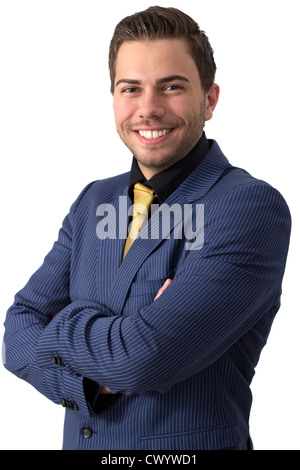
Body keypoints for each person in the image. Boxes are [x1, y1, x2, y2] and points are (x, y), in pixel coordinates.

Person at [3, 6, 291, 451]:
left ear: (209, 99)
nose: (148, 109)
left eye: (171, 87)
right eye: (130, 89)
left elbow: (142, 359)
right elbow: (19, 327)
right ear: (114, 98)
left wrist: (62, 324)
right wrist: (94, 382)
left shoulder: (247, 207)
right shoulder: (93, 201)